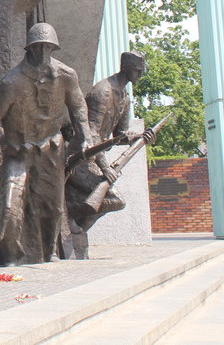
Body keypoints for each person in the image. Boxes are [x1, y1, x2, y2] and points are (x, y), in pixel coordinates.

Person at [0, 23, 94, 265]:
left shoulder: (66, 75)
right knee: (9, 206)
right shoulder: (11, 83)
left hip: (51, 150)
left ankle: (49, 252)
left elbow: (78, 108)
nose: (44, 53)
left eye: (48, 47)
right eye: (39, 47)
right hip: (19, 151)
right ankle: (12, 255)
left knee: (53, 205)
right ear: (30, 49)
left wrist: (86, 136)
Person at [66, 50, 156, 233]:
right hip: (79, 159)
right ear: (127, 69)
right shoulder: (103, 92)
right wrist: (105, 167)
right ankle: (68, 211)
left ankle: (77, 228)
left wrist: (140, 138)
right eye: (138, 70)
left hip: (94, 159)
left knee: (112, 201)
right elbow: (91, 135)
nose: (140, 74)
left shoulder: (124, 97)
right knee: (116, 200)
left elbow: (120, 135)